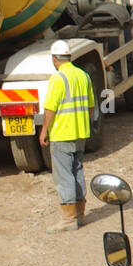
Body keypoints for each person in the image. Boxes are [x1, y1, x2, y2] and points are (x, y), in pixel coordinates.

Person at [38, 39, 95, 232]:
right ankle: (80, 213)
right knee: (77, 170)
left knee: (64, 175)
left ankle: (69, 219)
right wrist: (83, 123)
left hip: (63, 133)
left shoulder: (59, 78)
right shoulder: (84, 75)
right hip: (80, 133)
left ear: (55, 59)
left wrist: (44, 130)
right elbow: (91, 106)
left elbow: (50, 108)